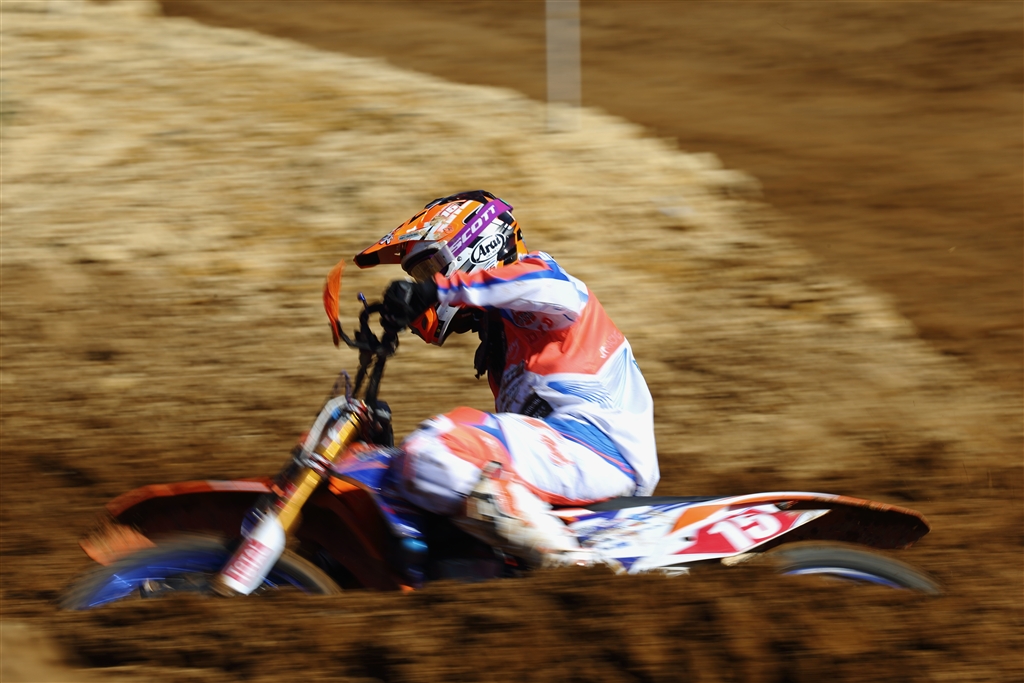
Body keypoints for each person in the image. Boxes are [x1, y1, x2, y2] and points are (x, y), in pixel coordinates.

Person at [339, 190, 658, 567]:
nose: (425, 282)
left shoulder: (547, 285)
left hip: (601, 447)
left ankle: (573, 567)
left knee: (437, 448)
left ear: (482, 247)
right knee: (403, 470)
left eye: (431, 269)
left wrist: (437, 289)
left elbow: (535, 281)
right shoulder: (500, 346)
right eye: (420, 276)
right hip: (572, 455)